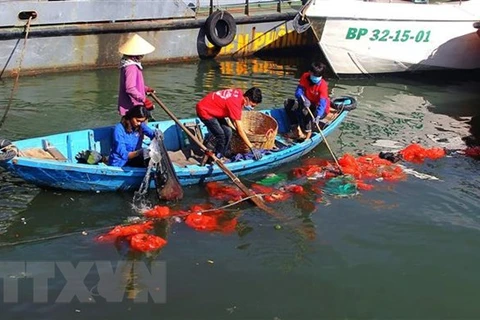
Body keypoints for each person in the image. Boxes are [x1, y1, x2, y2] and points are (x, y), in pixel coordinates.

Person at [196, 87, 263, 161]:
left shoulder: (239, 93)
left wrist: (236, 127)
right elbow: (240, 130)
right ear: (246, 99)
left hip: (214, 109)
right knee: (221, 135)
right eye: (252, 105)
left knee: (228, 131)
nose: (252, 108)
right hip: (204, 110)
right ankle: (216, 157)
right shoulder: (235, 104)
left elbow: (232, 116)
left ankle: (222, 152)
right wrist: (251, 147)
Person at [286, 61, 330, 140]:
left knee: (305, 111)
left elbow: (322, 103)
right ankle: (295, 129)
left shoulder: (323, 86)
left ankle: (307, 133)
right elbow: (298, 91)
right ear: (310, 72)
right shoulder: (305, 76)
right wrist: (303, 98)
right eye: (314, 75)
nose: (316, 78)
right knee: (288, 103)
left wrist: (318, 115)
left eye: (318, 76)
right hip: (306, 102)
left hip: (320, 108)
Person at [117, 33, 156, 117]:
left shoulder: (128, 64)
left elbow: (134, 84)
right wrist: (144, 99)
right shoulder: (131, 67)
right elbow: (130, 88)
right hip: (132, 107)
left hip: (134, 105)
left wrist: (145, 89)